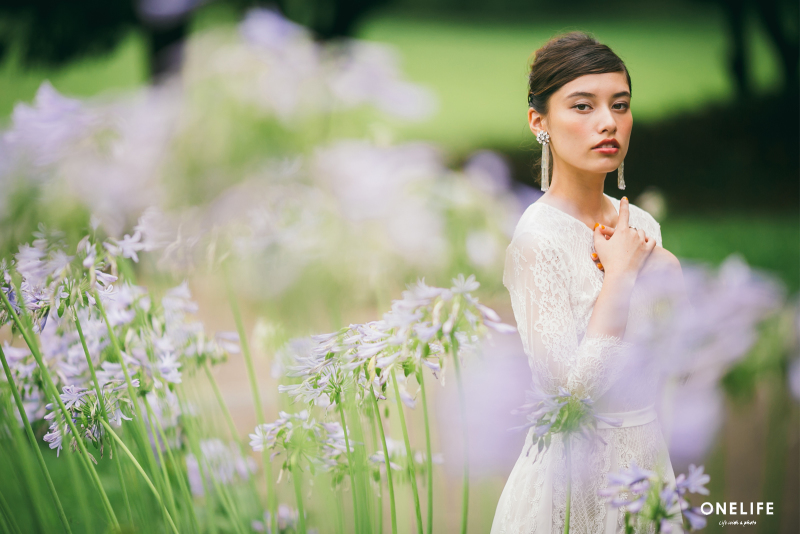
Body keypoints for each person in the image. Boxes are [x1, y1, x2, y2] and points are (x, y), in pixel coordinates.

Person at [490, 32, 685, 533]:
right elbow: (570, 401)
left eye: (620, 106)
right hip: (572, 482)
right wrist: (619, 276)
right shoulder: (537, 241)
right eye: (582, 106)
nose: (608, 123)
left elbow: (670, 368)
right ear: (540, 122)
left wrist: (670, 277)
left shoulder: (641, 226)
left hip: (645, 464)